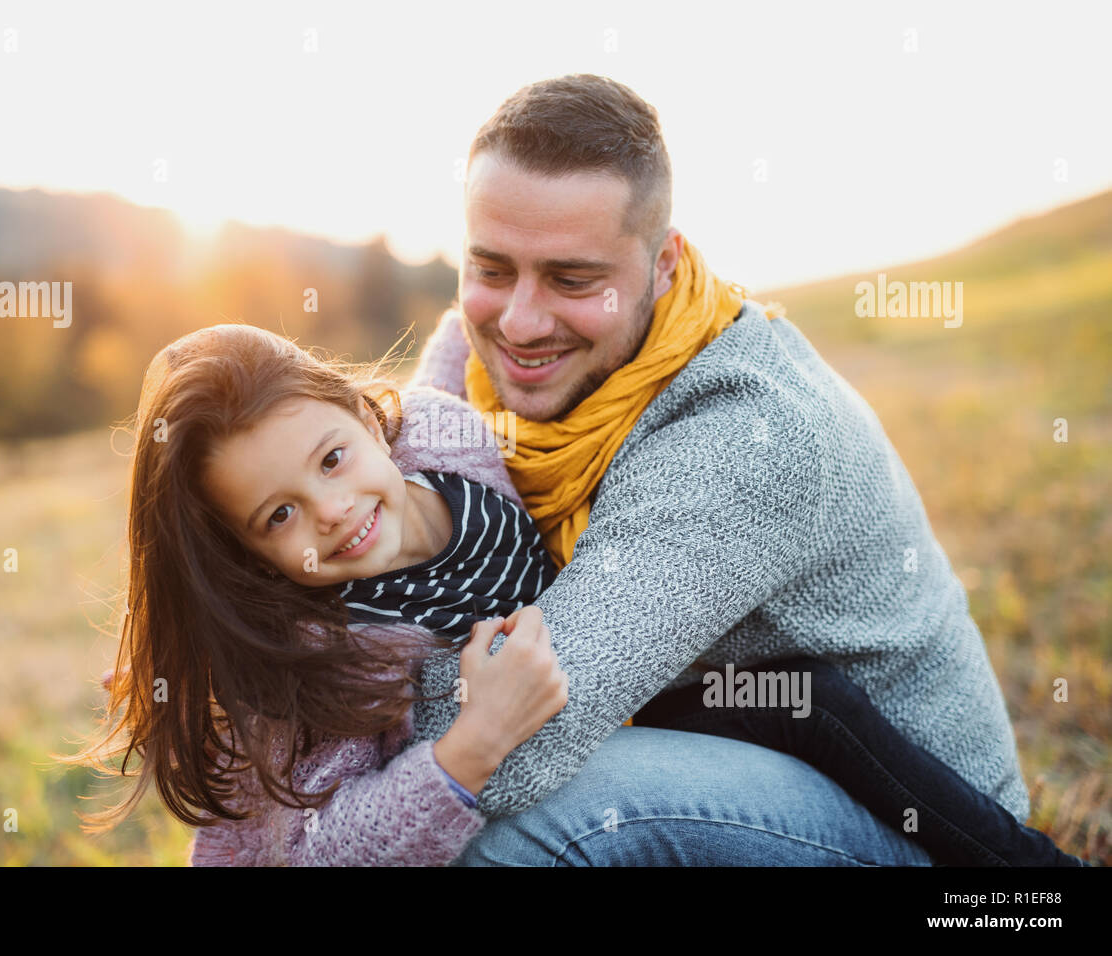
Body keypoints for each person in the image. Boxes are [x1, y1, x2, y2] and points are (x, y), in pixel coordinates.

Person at [400, 73, 1059, 866]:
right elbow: (382, 491)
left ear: (664, 264)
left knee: (504, 820)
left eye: (574, 280)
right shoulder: (477, 354)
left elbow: (506, 738)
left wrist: (312, 683)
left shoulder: (747, 435)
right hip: (738, 737)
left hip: (915, 829)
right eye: (493, 269)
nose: (520, 320)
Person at [65, 321, 573, 865]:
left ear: (368, 420)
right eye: (280, 515)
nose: (332, 511)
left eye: (332, 460)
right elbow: (319, 850)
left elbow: (447, 372)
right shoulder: (324, 655)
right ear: (250, 557)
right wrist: (477, 743)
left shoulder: (437, 431)